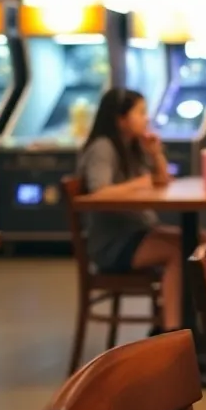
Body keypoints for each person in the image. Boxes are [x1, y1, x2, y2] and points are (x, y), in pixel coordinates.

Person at [75, 87, 182, 333]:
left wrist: (156, 153)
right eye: (141, 112)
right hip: (114, 244)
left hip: (138, 233)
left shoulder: (132, 147)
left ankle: (183, 322)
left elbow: (163, 181)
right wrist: (140, 183)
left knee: (199, 242)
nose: (147, 118)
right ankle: (172, 331)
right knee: (180, 251)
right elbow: (98, 192)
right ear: (120, 119)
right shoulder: (103, 147)